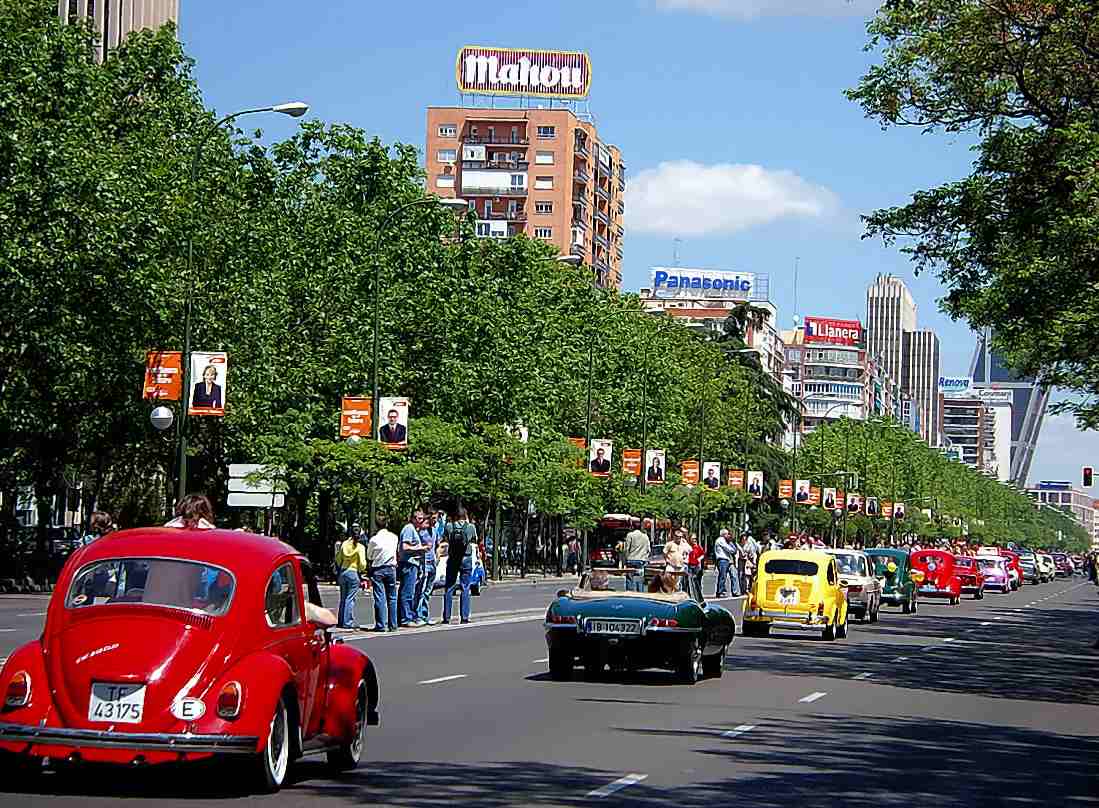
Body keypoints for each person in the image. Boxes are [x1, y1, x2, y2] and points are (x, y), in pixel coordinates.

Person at [442, 507, 477, 624]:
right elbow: (474, 539)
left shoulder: (449, 526)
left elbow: (445, 538)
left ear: (456, 516)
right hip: (466, 557)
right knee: (465, 587)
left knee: (449, 586)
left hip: (453, 558)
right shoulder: (471, 527)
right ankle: (464, 617)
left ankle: (447, 617)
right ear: (465, 516)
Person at [367, 516, 399, 632]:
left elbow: (369, 556)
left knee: (379, 597)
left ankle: (381, 625)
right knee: (392, 597)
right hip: (391, 568)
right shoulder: (394, 537)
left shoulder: (374, 540)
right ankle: (393, 624)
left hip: (378, 569)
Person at [397, 512, 427, 627]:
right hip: (409, 564)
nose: (421, 521)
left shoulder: (414, 530)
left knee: (408, 591)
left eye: (422, 518)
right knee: (407, 592)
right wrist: (420, 548)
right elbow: (405, 547)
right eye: (419, 518)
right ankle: (406, 618)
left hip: (413, 564)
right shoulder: (409, 529)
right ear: (413, 519)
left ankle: (405, 616)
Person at [335, 530, 368, 629]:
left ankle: (340, 621)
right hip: (353, 572)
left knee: (343, 598)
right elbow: (362, 564)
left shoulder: (344, 544)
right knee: (350, 599)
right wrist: (361, 569)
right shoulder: (360, 547)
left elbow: (338, 559)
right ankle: (347, 622)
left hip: (343, 572)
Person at [415, 512, 441, 624]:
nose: (435, 521)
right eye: (434, 518)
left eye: (437, 518)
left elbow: (438, 545)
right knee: (421, 589)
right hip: (423, 563)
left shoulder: (434, 531)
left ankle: (424, 615)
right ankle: (418, 615)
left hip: (432, 563)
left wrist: (437, 557)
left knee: (428, 591)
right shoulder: (421, 531)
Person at [621, 518, 651, 592]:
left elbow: (626, 549)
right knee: (640, 579)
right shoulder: (645, 536)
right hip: (641, 561)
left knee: (630, 578)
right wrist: (645, 558)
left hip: (631, 560)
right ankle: (640, 593)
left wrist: (625, 560)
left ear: (632, 527)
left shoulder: (630, 535)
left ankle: (630, 594)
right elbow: (649, 550)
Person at [714, 529, 738, 597]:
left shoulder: (727, 541)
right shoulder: (720, 540)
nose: (729, 535)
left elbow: (734, 549)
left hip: (728, 560)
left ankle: (734, 591)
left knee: (733, 575)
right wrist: (733, 550)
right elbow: (729, 549)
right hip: (722, 560)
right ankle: (720, 591)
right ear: (723, 534)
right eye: (727, 534)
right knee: (722, 576)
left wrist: (731, 543)